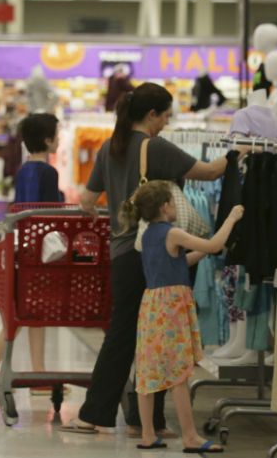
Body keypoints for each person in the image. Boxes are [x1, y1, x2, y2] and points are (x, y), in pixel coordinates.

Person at [60, 83, 232, 437]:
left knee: (122, 334)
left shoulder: (109, 147)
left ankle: (100, 415)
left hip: (122, 254)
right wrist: (239, 154)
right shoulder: (156, 148)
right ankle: (139, 420)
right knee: (163, 337)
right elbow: (211, 172)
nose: (167, 123)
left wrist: (105, 216)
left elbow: (87, 200)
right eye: (166, 115)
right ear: (151, 115)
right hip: (157, 256)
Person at [122, 180, 243, 453]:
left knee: (147, 370)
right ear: (165, 207)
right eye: (175, 202)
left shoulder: (149, 234)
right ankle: (190, 437)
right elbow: (213, 243)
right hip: (172, 307)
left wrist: (204, 252)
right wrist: (231, 219)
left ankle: (148, 435)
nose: (177, 206)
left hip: (152, 304)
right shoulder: (172, 232)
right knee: (179, 373)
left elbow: (175, 262)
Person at [0, 113, 63, 394]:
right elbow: (49, 214)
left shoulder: (24, 170)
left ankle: (38, 374)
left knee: (29, 312)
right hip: (41, 251)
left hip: (22, 247)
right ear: (48, 140)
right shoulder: (49, 172)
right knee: (24, 313)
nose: (60, 139)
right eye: (57, 135)